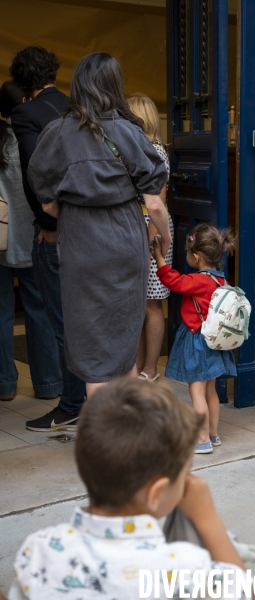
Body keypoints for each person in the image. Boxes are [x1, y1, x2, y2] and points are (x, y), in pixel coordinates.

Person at [8, 378, 245, 599]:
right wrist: (207, 517)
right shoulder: (184, 566)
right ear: (156, 493)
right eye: (185, 475)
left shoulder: (39, 549)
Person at [28, 53, 171, 399]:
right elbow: (154, 203)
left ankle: (103, 445)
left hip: (80, 245)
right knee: (123, 344)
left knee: (94, 349)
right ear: (114, 87)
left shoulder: (57, 133)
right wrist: (164, 240)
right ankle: (126, 440)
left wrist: (78, 215)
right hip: (124, 240)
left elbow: (45, 199)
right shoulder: (130, 132)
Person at [10, 46, 86, 430]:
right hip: (89, 230)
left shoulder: (26, 114)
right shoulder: (78, 107)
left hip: (56, 233)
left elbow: (36, 171)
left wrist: (48, 223)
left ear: (22, 81)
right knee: (84, 318)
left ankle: (72, 402)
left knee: (62, 322)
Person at [0, 81, 62, 402]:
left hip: (0, 240)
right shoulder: (29, 139)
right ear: (23, 102)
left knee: (1, 312)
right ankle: (48, 384)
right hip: (30, 235)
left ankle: (4, 385)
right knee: (39, 309)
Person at [153, 223, 237, 454]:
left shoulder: (200, 281)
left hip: (198, 342)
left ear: (197, 257)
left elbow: (173, 281)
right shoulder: (222, 281)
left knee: (196, 392)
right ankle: (213, 433)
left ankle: (202, 441)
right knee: (211, 392)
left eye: (188, 252)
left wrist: (159, 257)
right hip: (214, 344)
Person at [127, 93, 174, 383]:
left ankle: (151, 368)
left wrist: (150, 239)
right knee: (139, 303)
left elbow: (159, 201)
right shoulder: (142, 148)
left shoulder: (153, 151)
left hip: (151, 229)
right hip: (141, 226)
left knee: (151, 303)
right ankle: (140, 365)